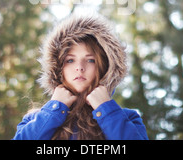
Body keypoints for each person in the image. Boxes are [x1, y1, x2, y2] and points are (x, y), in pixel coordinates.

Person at [12, 13, 148, 140]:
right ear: (58, 68)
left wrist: (106, 109)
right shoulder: (35, 119)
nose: (80, 67)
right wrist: (55, 109)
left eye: (90, 60)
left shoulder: (127, 118)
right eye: (70, 60)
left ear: (104, 67)